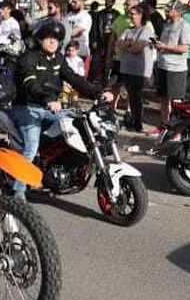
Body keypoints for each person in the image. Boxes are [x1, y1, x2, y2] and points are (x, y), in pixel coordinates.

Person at [8, 22, 114, 197]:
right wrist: (47, 99)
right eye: (49, 38)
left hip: (50, 108)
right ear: (40, 39)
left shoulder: (58, 59)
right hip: (26, 108)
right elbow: (30, 84)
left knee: (80, 124)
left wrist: (98, 92)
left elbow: (74, 78)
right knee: (32, 146)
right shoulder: (29, 58)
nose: (53, 42)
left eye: (57, 39)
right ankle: (18, 193)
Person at [114, 3, 156, 131]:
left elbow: (138, 48)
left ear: (140, 15)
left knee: (136, 96)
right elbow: (118, 43)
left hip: (139, 70)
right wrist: (129, 44)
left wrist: (127, 45)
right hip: (127, 68)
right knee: (131, 95)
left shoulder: (146, 30)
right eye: (129, 14)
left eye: (133, 14)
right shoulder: (128, 30)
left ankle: (137, 122)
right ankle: (133, 119)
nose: (130, 16)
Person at [153, 2, 190, 121]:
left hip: (176, 69)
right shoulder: (167, 24)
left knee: (176, 102)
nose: (166, 11)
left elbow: (184, 48)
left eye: (169, 9)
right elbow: (164, 43)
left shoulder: (185, 26)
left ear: (177, 11)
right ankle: (164, 125)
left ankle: (176, 131)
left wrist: (164, 47)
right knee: (163, 99)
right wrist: (157, 45)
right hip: (162, 66)